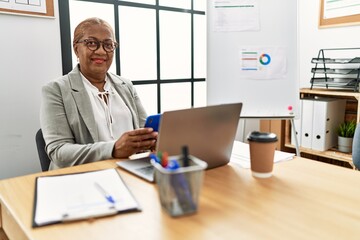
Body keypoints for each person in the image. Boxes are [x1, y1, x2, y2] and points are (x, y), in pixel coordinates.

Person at [40, 17, 157, 170]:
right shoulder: (55, 90)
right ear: (76, 48)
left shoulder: (126, 85)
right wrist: (113, 149)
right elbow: (59, 152)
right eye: (91, 43)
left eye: (108, 45)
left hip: (130, 170)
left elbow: (144, 131)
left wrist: (155, 139)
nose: (101, 51)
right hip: (83, 176)